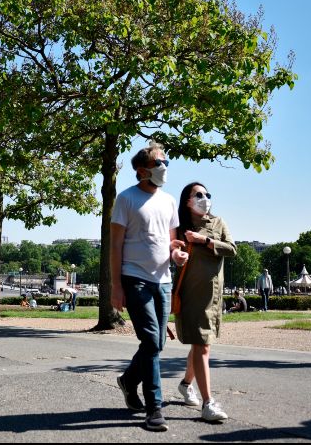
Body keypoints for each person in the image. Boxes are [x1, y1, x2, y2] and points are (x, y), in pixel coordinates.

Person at [111, 142, 188, 432]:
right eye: (159, 163)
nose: (164, 167)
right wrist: (116, 286)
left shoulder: (169, 201)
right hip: (135, 278)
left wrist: (176, 254)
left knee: (157, 343)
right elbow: (115, 245)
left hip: (163, 280)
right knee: (152, 341)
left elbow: (171, 242)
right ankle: (154, 408)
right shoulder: (126, 199)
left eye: (166, 162)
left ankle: (128, 380)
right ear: (142, 170)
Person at [173, 182, 237, 423]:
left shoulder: (218, 222)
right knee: (201, 345)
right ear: (187, 201)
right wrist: (175, 254)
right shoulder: (178, 227)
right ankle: (208, 403)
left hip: (214, 294)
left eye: (207, 194)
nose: (205, 198)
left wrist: (206, 241)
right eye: (198, 194)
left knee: (202, 344)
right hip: (191, 293)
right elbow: (168, 251)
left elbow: (232, 249)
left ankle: (185, 384)